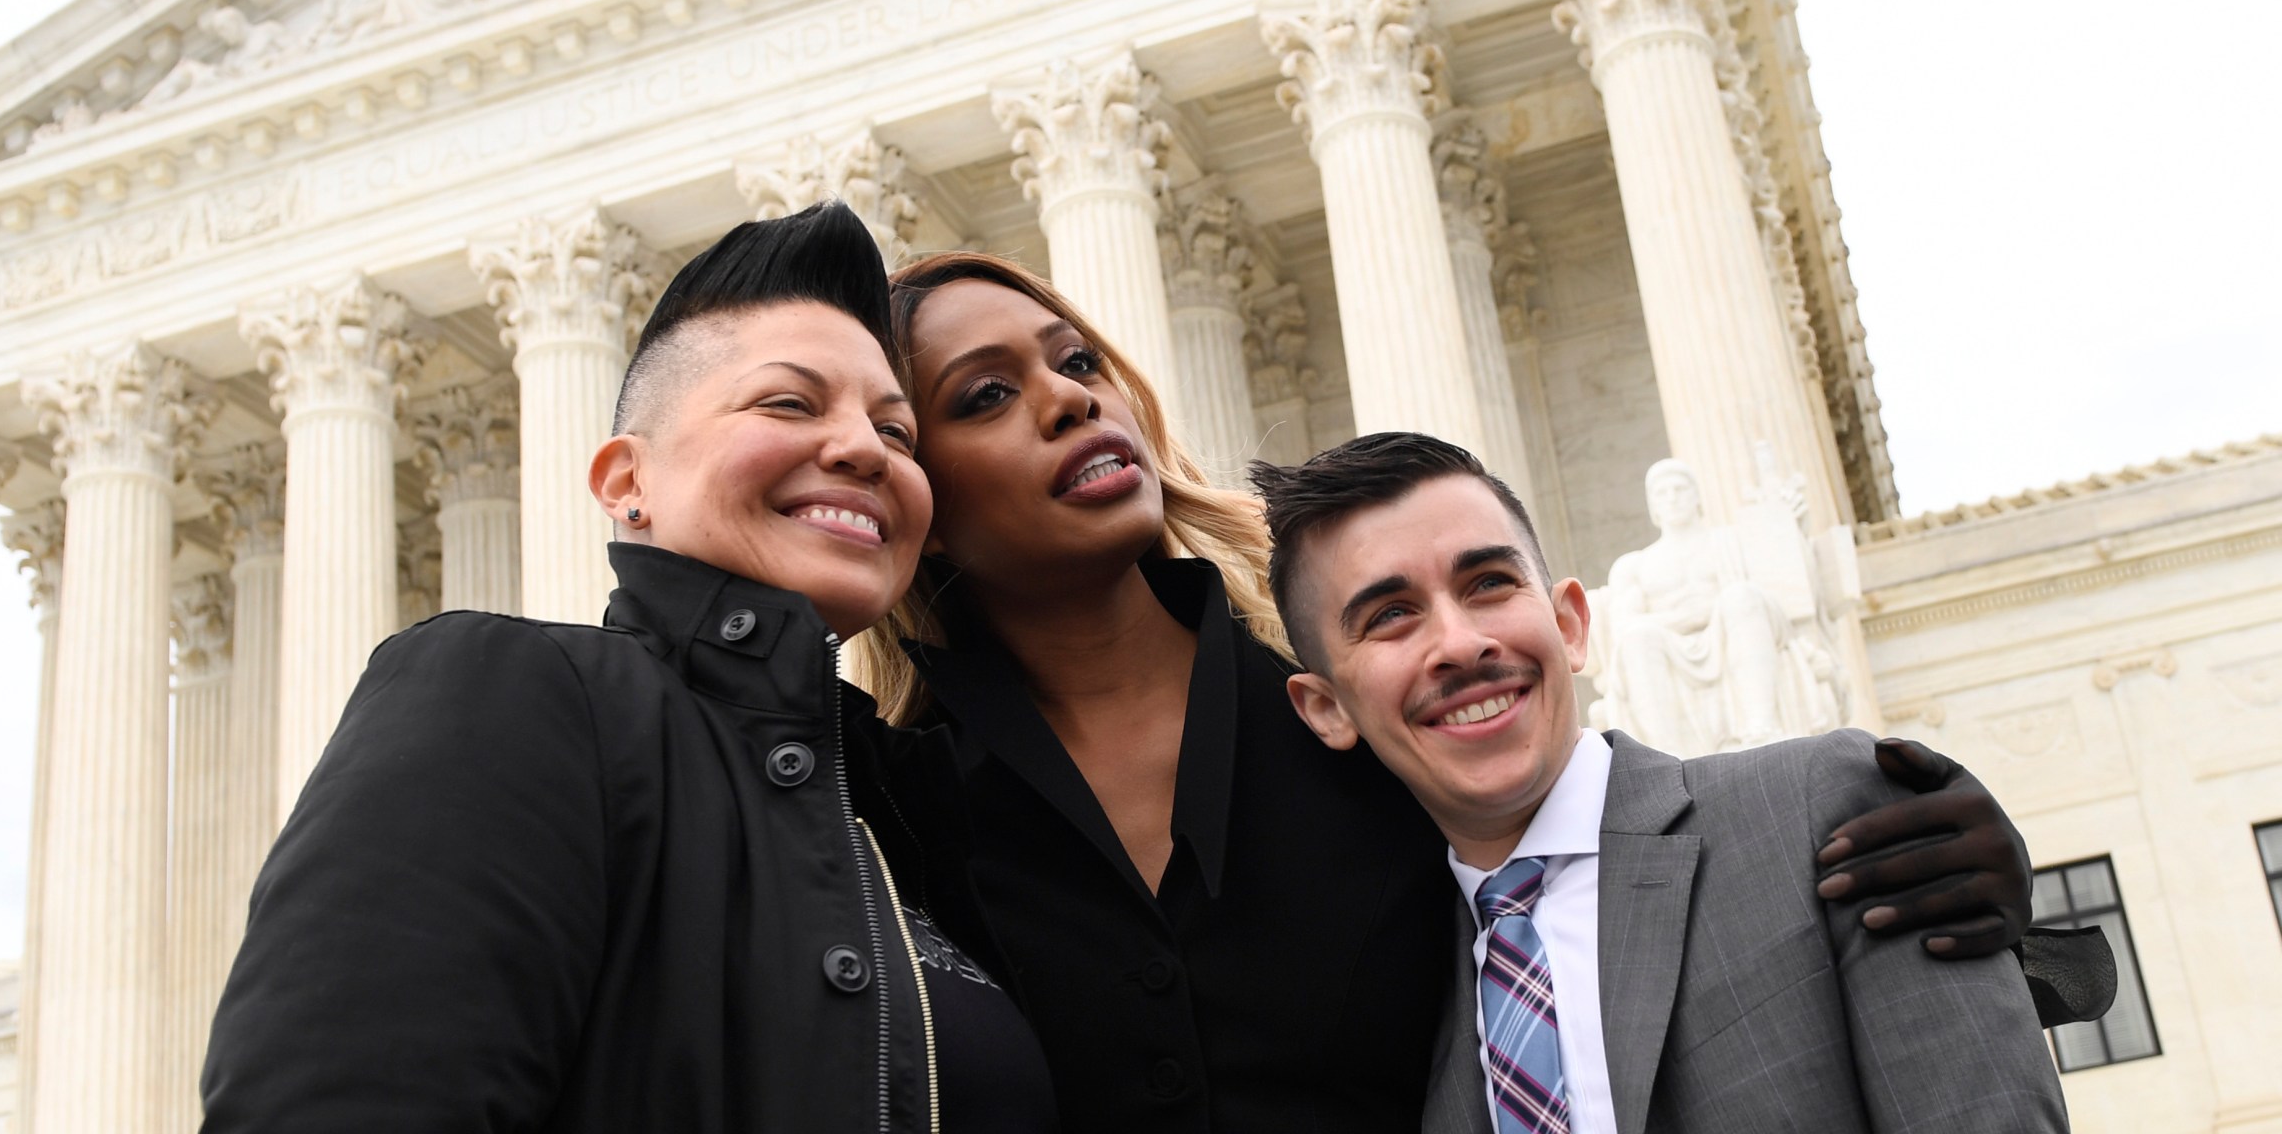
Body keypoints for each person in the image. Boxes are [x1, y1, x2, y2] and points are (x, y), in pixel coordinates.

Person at [852, 250, 2101, 1134]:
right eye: (988, 394)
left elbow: (1607, 883)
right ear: (920, 494)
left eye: (1076, 361)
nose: (1069, 396)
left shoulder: (1350, 705)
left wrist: (1955, 868)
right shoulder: (896, 820)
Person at [201, 204, 1057, 1133]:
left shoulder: (913, 814)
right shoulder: (514, 696)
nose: (861, 448)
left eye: (896, 435)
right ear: (626, 482)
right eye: (788, 402)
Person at [1255, 433, 2071, 1133]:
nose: (1461, 644)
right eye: (1391, 615)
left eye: (1489, 585)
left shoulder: (1821, 811)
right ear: (1326, 708)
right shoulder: (1371, 989)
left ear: (1571, 622)